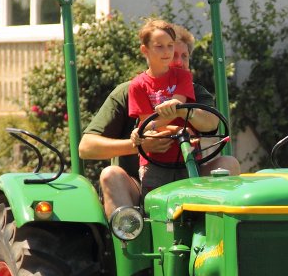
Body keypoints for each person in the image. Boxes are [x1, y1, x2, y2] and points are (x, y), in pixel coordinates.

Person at [78, 20, 240, 216]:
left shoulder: (194, 91)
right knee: (110, 174)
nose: (178, 61)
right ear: (150, 53)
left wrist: (182, 113)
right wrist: (140, 144)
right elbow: (86, 148)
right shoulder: (130, 90)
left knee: (229, 163)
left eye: (184, 56)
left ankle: (216, 234)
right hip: (141, 181)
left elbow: (211, 123)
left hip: (189, 173)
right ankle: (130, 235)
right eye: (171, 54)